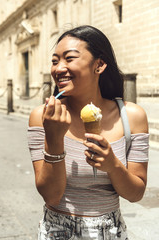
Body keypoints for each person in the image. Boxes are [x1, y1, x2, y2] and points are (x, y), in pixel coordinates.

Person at [28, 25, 149, 239]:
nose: (58, 68)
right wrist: (54, 139)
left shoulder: (132, 116)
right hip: (56, 232)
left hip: (110, 233)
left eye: (69, 58)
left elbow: (136, 193)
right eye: (55, 61)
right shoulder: (43, 116)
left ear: (99, 65)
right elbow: (51, 195)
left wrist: (113, 166)